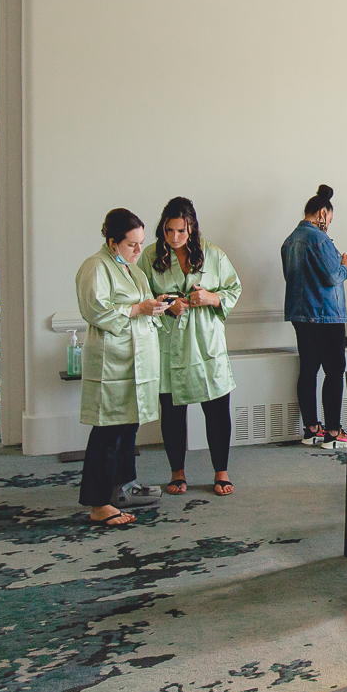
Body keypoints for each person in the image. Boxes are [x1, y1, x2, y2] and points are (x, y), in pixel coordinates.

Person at [141, 197, 242, 496]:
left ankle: (221, 471)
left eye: (181, 231)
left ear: (192, 228)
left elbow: (234, 288)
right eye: (168, 230)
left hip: (206, 342)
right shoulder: (150, 256)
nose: (174, 238)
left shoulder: (212, 254)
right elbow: (144, 296)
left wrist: (210, 297)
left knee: (217, 408)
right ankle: (177, 473)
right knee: (172, 410)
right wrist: (168, 305)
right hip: (170, 341)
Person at [75, 208, 168, 526]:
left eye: (141, 243)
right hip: (112, 362)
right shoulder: (95, 267)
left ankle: (124, 487)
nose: (139, 251)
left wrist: (156, 306)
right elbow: (96, 310)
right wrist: (137, 308)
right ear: (113, 242)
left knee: (129, 426)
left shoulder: (132, 269)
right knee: (108, 431)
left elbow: (140, 306)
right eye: (132, 244)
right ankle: (98, 503)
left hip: (137, 361)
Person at [281, 184, 347, 448]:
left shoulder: (290, 241)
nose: (328, 225)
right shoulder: (319, 239)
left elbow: (291, 277)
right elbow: (333, 277)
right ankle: (333, 433)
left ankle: (311, 429)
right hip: (327, 316)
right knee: (334, 372)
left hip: (300, 315)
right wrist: (345, 266)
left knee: (308, 369)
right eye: (329, 219)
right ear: (322, 213)